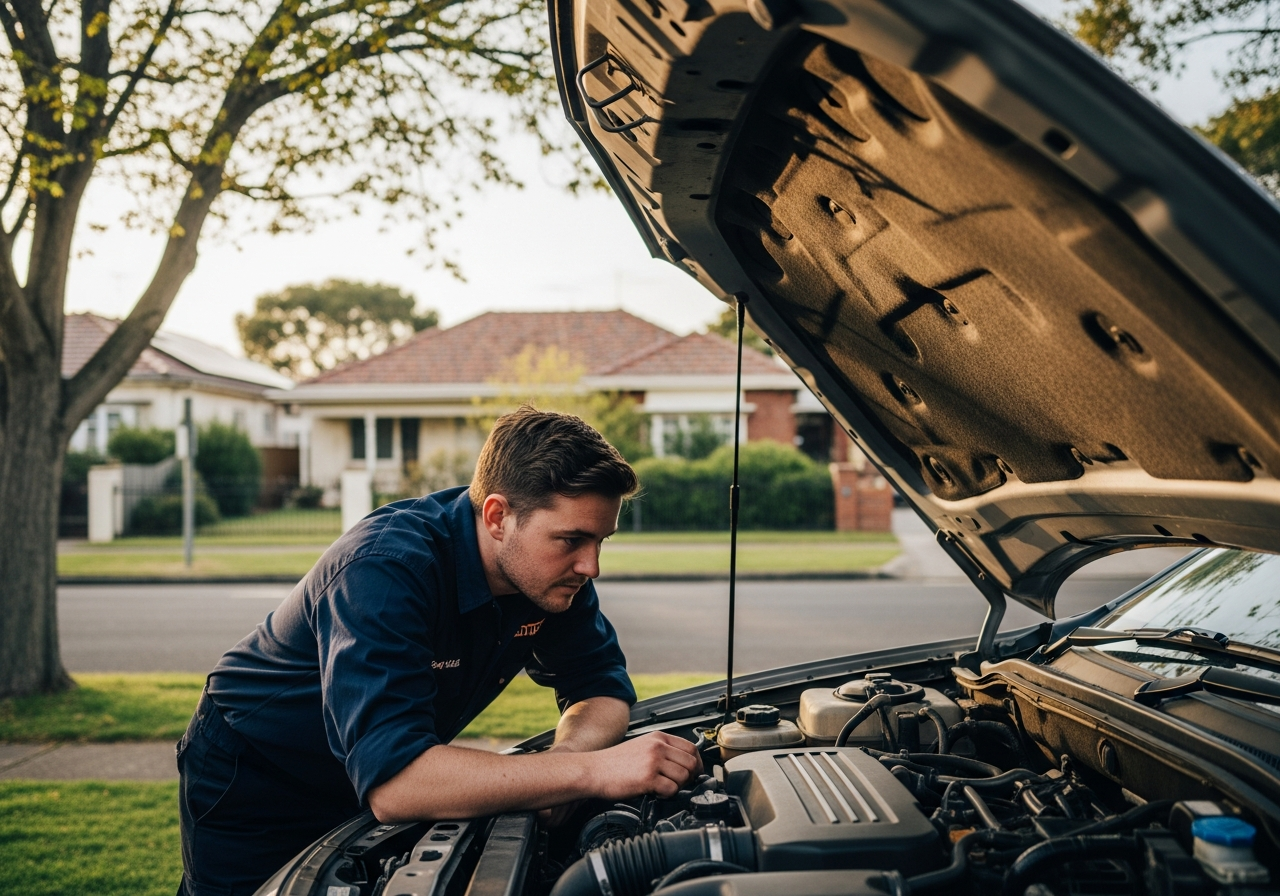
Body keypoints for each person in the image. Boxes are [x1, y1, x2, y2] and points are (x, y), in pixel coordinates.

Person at [175, 407, 702, 895]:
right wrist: (595, 771)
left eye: (601, 542)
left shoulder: (549, 578)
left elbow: (601, 687)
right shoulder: (383, 570)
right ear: (498, 517)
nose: (591, 567)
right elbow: (398, 785)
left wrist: (565, 761)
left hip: (370, 767)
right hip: (259, 778)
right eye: (571, 540)